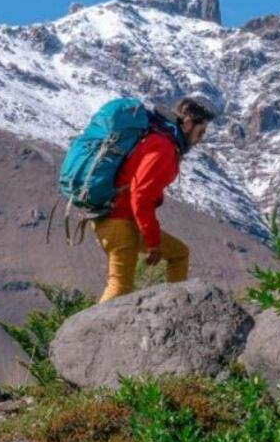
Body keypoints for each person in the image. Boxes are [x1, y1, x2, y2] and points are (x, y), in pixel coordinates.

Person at [91, 97, 215, 303]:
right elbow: (140, 196)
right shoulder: (163, 146)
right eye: (200, 132)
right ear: (186, 124)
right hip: (118, 221)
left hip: (116, 219)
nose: (200, 139)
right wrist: (153, 241)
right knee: (119, 288)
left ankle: (174, 311)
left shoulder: (160, 140)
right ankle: (87, 335)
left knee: (179, 254)